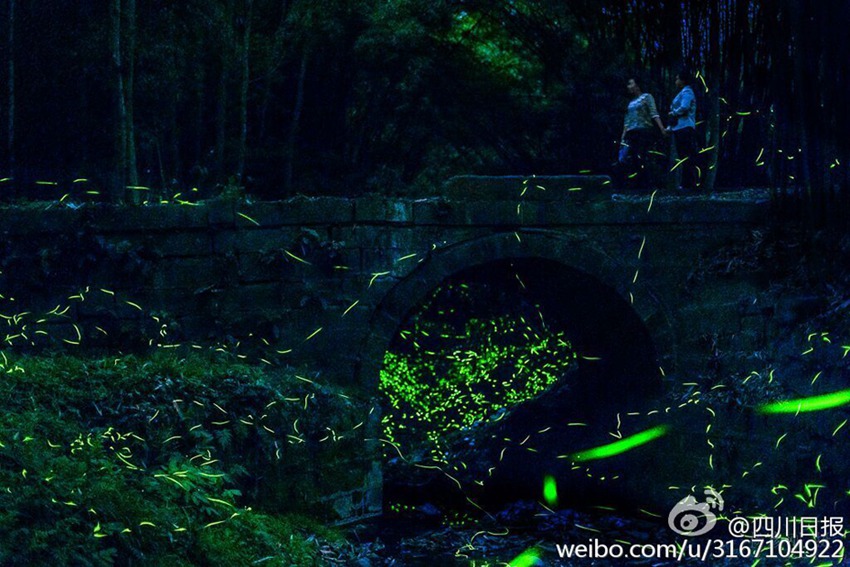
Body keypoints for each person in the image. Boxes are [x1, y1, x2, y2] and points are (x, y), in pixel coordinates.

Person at [618, 77, 667, 186]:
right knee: (630, 157)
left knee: (642, 155)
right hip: (631, 132)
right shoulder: (630, 103)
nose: (628, 87)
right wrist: (623, 136)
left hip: (643, 131)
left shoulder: (647, 97)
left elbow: (654, 113)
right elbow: (627, 121)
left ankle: (645, 182)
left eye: (631, 84)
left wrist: (662, 128)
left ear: (637, 85)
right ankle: (637, 181)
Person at [666, 70, 698, 190]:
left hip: (685, 127)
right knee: (684, 155)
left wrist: (673, 112)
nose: (676, 81)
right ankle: (687, 182)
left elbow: (684, 107)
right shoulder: (683, 92)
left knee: (686, 155)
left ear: (683, 80)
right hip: (680, 127)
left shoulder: (687, 91)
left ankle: (689, 183)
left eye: (677, 78)